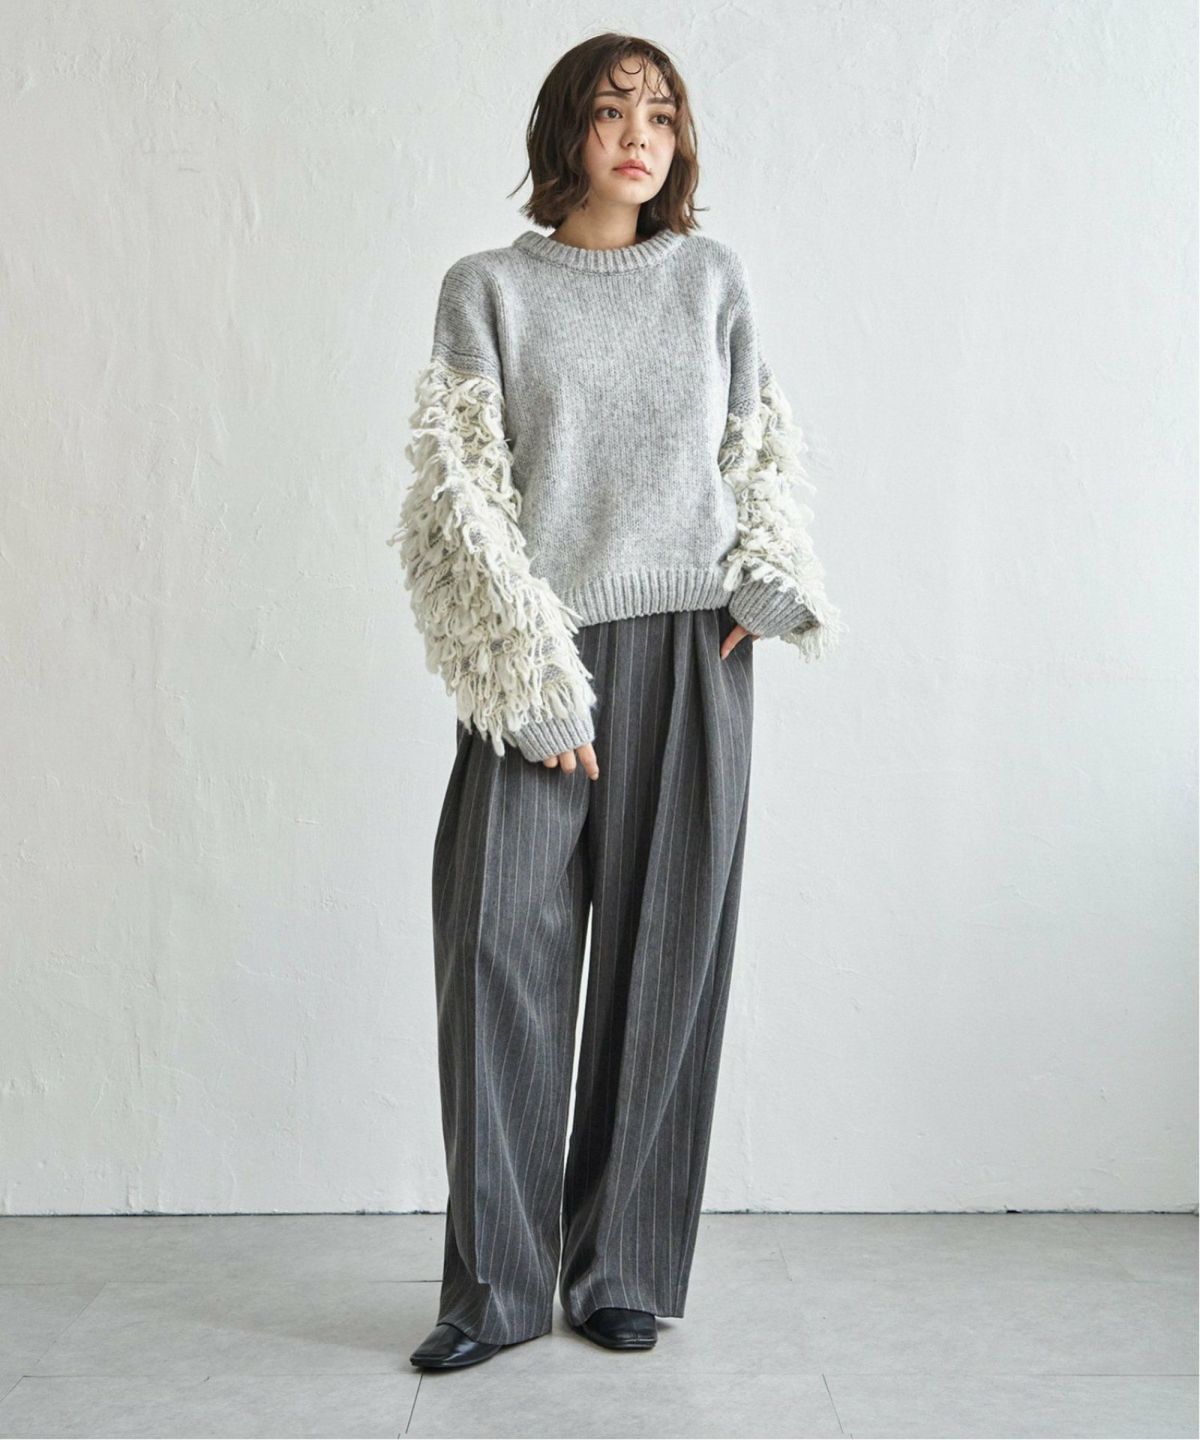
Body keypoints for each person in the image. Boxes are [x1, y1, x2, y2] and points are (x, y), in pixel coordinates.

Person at [388, 31, 843, 1370]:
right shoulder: (488, 290)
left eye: (660, 113)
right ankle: (495, 1291)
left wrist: (767, 584)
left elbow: (759, 446)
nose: (638, 135)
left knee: (667, 962)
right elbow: (457, 496)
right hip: (543, 655)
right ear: (564, 133)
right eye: (609, 111)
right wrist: (528, 679)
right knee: (497, 955)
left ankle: (623, 1268)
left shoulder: (711, 278)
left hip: (695, 650)